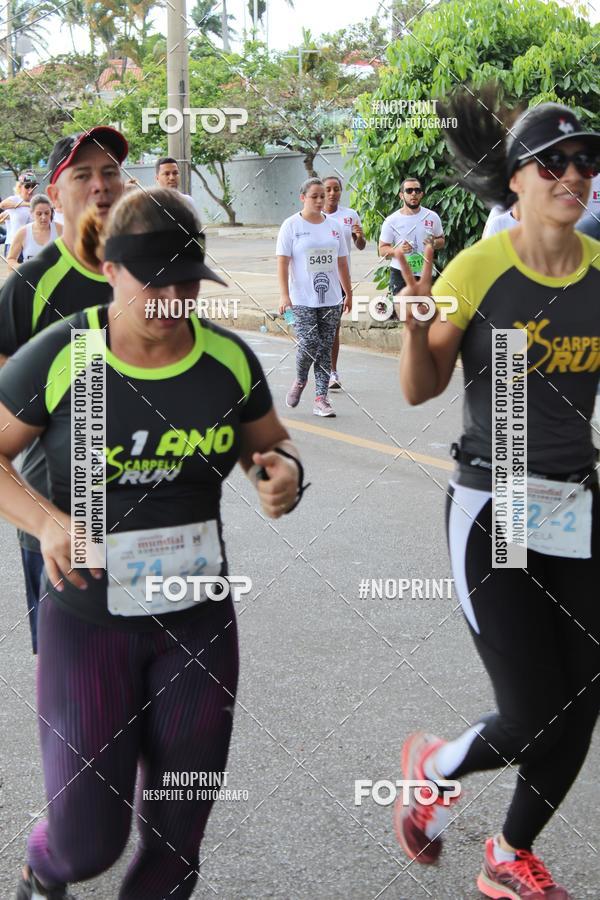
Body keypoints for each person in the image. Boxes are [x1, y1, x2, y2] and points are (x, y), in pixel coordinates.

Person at [3, 187, 305, 900]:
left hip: (197, 625)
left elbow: (271, 448)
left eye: (188, 282)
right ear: (110, 271)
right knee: (85, 843)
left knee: (177, 838)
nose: (174, 299)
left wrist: (282, 474)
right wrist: (46, 521)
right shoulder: (62, 355)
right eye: (156, 281)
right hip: (89, 624)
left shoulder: (227, 360)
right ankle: (41, 868)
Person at [396, 89, 600, 899]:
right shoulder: (479, 266)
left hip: (577, 505)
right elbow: (421, 388)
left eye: (588, 161)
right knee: (531, 712)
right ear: (517, 179)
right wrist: (415, 330)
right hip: (495, 506)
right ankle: (434, 769)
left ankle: (508, 852)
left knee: (583, 698)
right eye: (556, 162)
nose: (576, 175)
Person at [0, 126, 127, 654]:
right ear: (54, 195)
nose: (100, 184)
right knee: (80, 707)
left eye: (110, 172)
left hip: (155, 525)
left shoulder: (158, 275)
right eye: (82, 175)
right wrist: (49, 522)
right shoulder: (29, 291)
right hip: (65, 527)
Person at [277, 177, 352, 417]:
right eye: (315, 196)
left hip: (331, 298)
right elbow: (283, 261)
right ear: (303, 198)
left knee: (325, 347)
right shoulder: (291, 226)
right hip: (301, 298)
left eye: (323, 196)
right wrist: (283, 294)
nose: (320, 200)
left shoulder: (334, 226)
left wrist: (348, 292)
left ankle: (321, 399)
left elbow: (341, 262)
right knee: (310, 343)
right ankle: (300, 380)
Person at [322, 174, 366, 391]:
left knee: (333, 328)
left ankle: (332, 371)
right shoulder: (312, 216)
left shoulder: (350, 215)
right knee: (314, 331)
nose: (332, 193)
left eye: (336, 189)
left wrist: (359, 237)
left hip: (339, 280)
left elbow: (360, 246)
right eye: (328, 189)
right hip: (314, 281)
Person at [378, 177, 445, 298]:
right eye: (409, 191)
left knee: (426, 313)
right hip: (400, 273)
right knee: (404, 313)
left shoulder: (432, 216)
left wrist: (433, 243)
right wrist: (398, 251)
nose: (413, 193)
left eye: (417, 190)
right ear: (401, 195)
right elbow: (382, 250)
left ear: (421, 194)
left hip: (425, 271)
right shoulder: (391, 220)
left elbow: (442, 241)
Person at [6, 194, 61, 269]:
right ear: (32, 214)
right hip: (30, 279)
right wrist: (22, 267)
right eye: (39, 214)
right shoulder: (23, 232)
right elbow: (11, 259)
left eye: (47, 213)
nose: (43, 217)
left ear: (51, 212)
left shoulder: (60, 230)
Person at [0, 171, 37, 258]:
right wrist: (27, 204)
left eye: (33, 186)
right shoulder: (14, 199)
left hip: (31, 246)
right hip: (13, 245)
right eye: (27, 186)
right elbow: (2, 205)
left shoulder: (36, 202)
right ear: (20, 187)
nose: (30, 189)